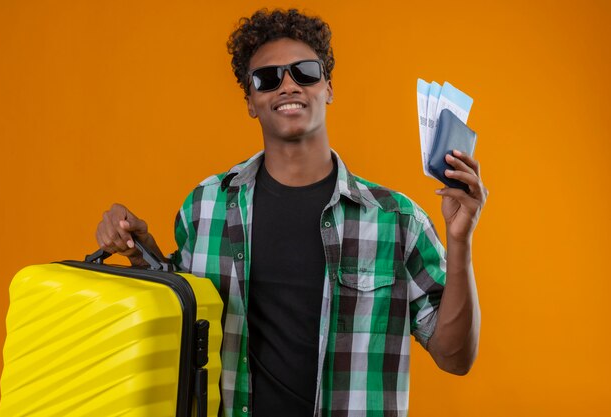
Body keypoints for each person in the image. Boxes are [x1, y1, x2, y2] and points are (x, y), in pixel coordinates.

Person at [96, 8, 488, 417]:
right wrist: (140, 252)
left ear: (329, 87)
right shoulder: (205, 206)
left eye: (304, 72)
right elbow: (182, 313)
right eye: (267, 78)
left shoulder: (397, 219)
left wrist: (460, 242)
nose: (287, 85)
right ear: (251, 100)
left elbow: (455, 358)